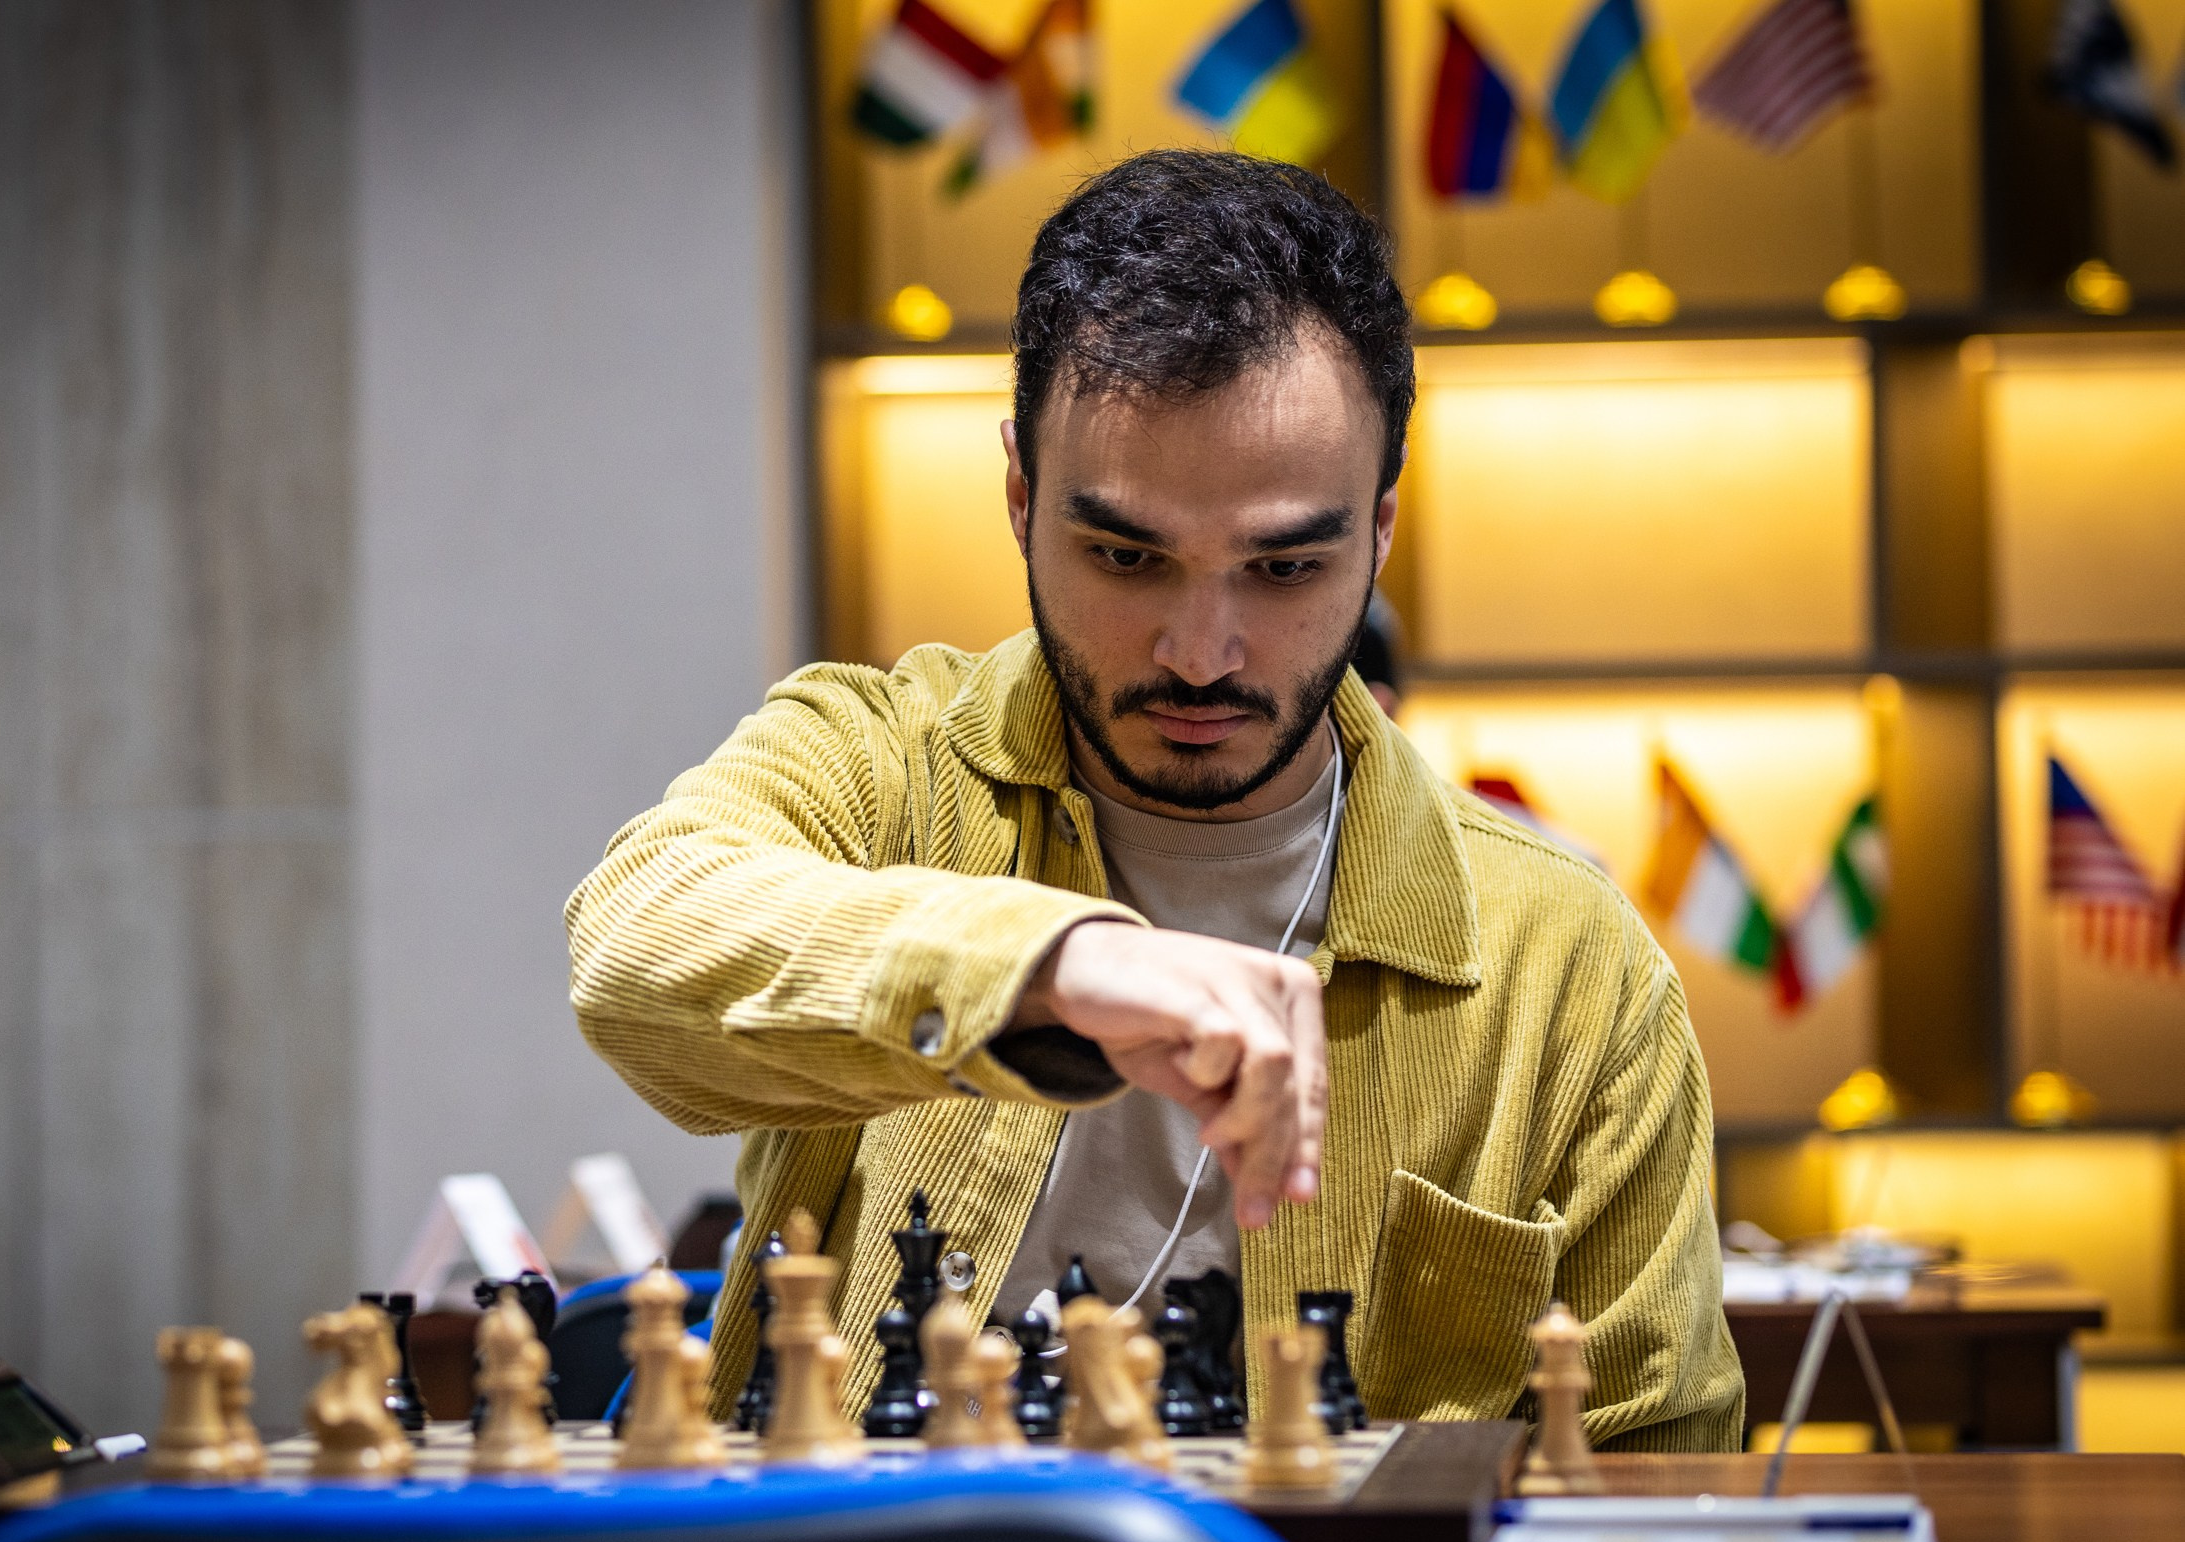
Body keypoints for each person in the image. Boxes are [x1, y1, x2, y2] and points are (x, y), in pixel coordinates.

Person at [567, 151, 1741, 1449]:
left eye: (1284, 565)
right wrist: (1054, 970)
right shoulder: (881, 766)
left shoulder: (1572, 968)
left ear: (1380, 532)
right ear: (1018, 493)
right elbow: (634, 947)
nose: (1201, 649)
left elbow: (1660, 1470)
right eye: (1128, 555)